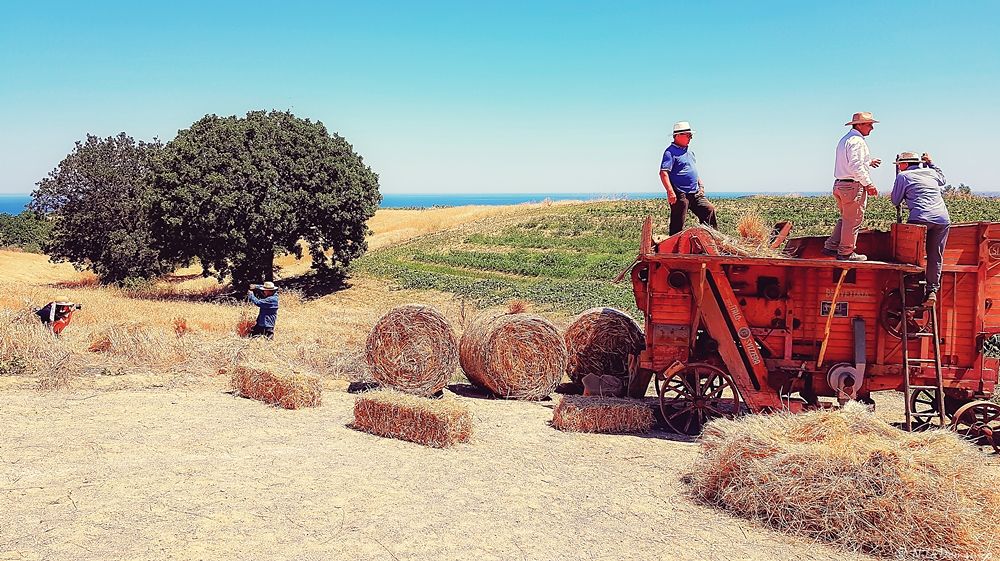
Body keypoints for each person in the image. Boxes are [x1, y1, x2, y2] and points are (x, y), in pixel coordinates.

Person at [891, 152, 950, 303]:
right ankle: (932, 290)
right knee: (935, 256)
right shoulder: (931, 172)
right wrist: (931, 162)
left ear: (904, 164)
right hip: (942, 219)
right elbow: (943, 180)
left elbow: (895, 200)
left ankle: (911, 282)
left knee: (910, 254)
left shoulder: (903, 176)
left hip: (920, 218)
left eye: (899, 165)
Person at [823, 112, 883, 261]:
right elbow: (855, 165)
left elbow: (850, 163)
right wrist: (868, 183)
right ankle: (846, 253)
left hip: (840, 184)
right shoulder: (857, 141)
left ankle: (831, 246)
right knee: (853, 220)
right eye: (869, 124)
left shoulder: (845, 140)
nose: (872, 128)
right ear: (860, 125)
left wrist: (868, 162)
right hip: (852, 186)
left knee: (846, 218)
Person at [659, 121, 717, 235]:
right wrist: (670, 192)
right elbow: (663, 173)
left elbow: (692, 169)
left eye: (691, 135)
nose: (691, 138)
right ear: (677, 136)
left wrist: (701, 185)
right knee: (678, 223)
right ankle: (674, 250)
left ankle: (711, 240)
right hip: (680, 193)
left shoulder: (690, 152)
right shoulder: (669, 152)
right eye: (688, 135)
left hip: (695, 192)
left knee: (709, 210)